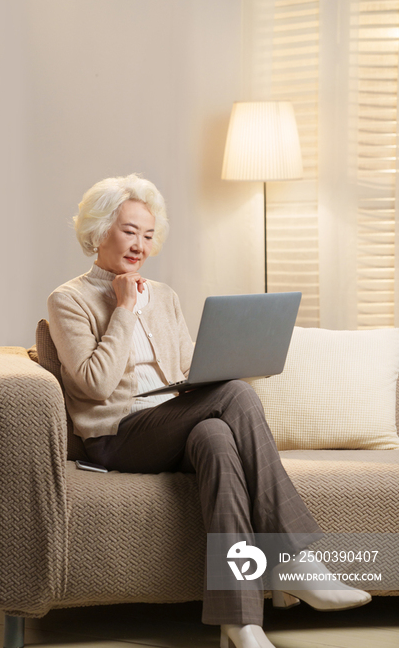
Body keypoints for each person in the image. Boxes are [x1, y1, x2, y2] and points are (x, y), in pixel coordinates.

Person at [47, 174, 371, 648]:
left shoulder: (166, 296)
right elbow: (93, 384)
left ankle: (239, 622)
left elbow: (185, 373)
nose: (140, 244)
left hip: (170, 425)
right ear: (99, 231)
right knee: (235, 396)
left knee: (217, 437)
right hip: (116, 437)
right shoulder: (69, 300)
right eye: (129, 230)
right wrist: (123, 309)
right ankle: (295, 558)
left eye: (148, 234)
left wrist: (229, 363)